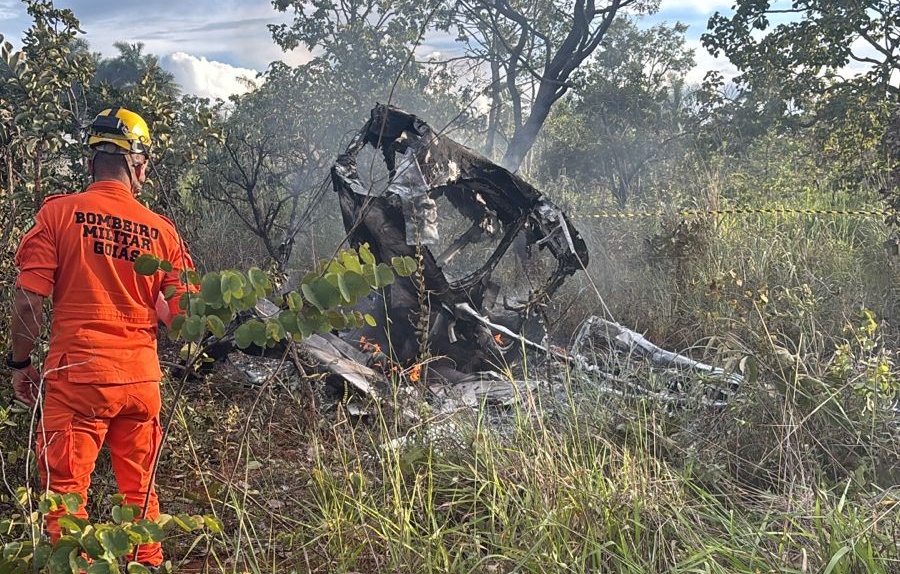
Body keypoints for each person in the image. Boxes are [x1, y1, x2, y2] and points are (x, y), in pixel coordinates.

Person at [7, 107, 193, 570]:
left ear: (91, 163)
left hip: (78, 380)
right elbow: (182, 319)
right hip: (140, 384)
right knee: (140, 492)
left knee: (66, 499)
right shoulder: (163, 232)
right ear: (140, 166)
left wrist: (19, 363)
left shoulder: (59, 213)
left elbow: (30, 303)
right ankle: (148, 564)